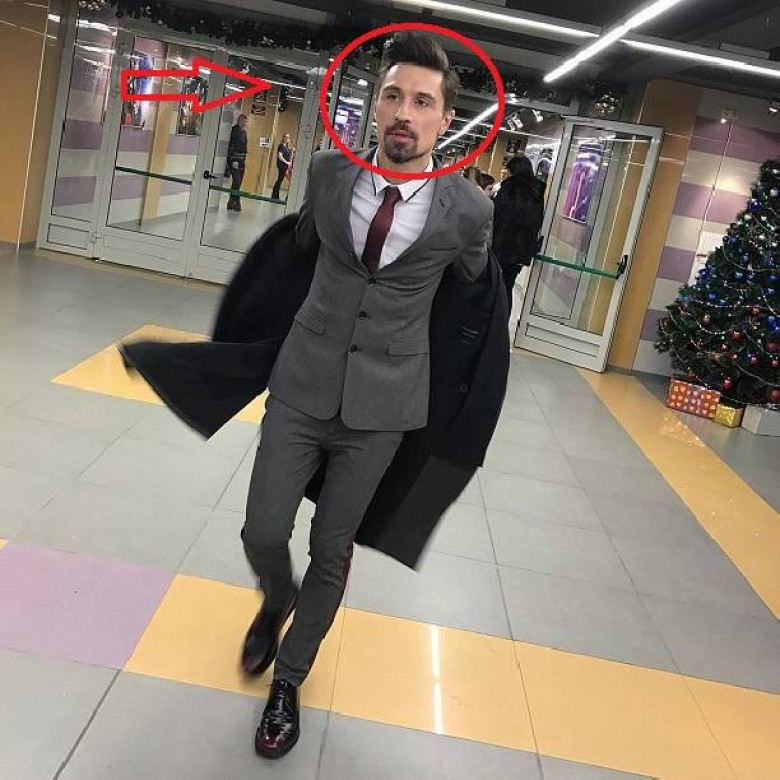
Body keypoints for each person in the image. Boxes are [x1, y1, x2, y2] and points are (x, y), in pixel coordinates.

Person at [240, 32, 492, 760]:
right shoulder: (327, 173)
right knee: (262, 530)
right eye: (393, 96)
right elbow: (298, 250)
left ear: (445, 119)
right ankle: (275, 596)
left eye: (422, 101)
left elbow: (473, 289)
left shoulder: (468, 211)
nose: (404, 113)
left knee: (331, 548)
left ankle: (289, 680)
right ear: (374, 105)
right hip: (302, 381)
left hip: (384, 406)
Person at [491, 154, 545, 312]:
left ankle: (490, 320)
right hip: (521, 252)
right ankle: (502, 321)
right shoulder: (537, 193)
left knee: (492, 285)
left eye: (507, 171)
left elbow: (498, 217)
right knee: (507, 286)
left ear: (513, 171)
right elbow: (537, 221)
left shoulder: (509, 188)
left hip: (501, 247)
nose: (506, 175)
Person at [226, 113, 248, 211]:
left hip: (242, 159)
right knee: (237, 181)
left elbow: (244, 147)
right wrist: (233, 159)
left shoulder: (244, 132)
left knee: (237, 183)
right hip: (234, 159)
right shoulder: (234, 131)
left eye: (246, 122)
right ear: (239, 120)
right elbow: (231, 146)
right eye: (243, 121)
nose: (245, 123)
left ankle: (231, 202)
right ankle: (237, 202)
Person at [272, 133, 294, 200]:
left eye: (288, 138)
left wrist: (292, 151)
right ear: (283, 138)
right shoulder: (281, 146)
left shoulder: (287, 147)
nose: (287, 139)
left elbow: (290, 155)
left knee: (280, 180)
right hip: (282, 165)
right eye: (286, 137)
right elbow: (280, 156)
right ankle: (275, 195)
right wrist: (286, 162)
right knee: (280, 180)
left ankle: (275, 195)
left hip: (285, 166)